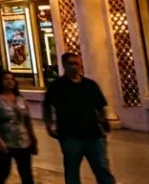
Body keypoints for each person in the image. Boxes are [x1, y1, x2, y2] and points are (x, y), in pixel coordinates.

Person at [43, 53, 115, 184]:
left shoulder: (90, 85)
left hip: (93, 134)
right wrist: (49, 125)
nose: (74, 67)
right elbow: (47, 106)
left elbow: (100, 106)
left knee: (102, 168)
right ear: (64, 65)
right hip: (69, 135)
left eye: (77, 63)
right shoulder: (57, 86)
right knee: (72, 170)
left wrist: (104, 123)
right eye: (71, 63)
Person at [0, 70, 37, 184]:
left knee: (26, 173)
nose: (10, 81)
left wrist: (32, 138)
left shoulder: (20, 98)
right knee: (4, 170)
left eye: (12, 79)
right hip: (4, 140)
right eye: (6, 79)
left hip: (22, 140)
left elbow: (27, 119)